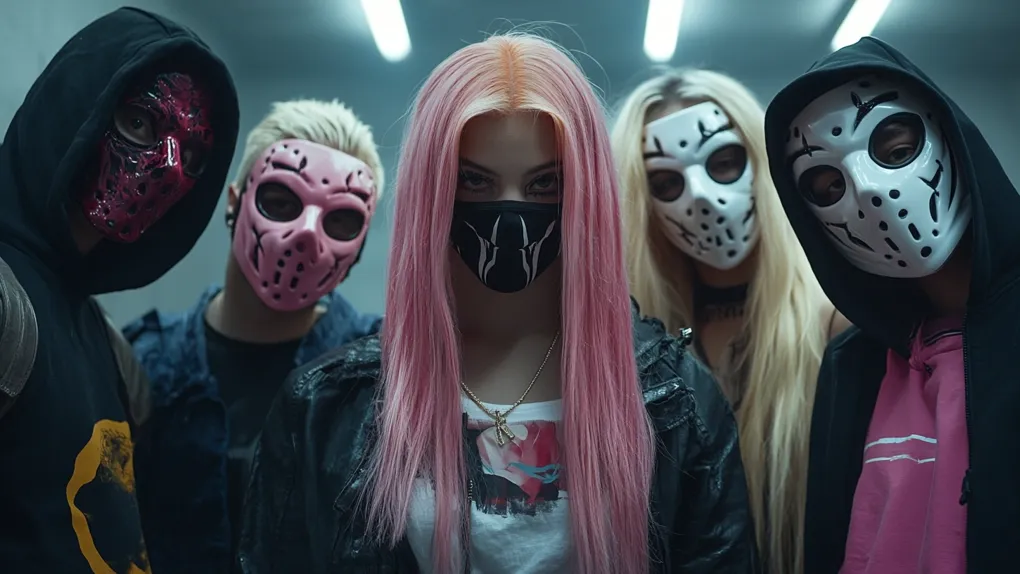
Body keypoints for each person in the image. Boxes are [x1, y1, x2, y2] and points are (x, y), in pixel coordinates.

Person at [240, 34, 758, 574]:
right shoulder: (325, 406)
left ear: (585, 191)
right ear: (432, 187)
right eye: (473, 180)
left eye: (544, 185)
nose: (510, 214)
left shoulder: (676, 399)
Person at [764, 37, 1020, 574]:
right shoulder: (852, 367)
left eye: (896, 149)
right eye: (826, 183)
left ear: (947, 133)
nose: (871, 191)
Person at [0, 7, 239, 574]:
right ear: (79, 106)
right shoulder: (10, 310)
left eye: (195, 156)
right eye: (142, 124)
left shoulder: (110, 347)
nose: (171, 169)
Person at [123, 98, 384, 573]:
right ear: (234, 201)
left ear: (360, 247)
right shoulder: (142, 363)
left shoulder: (382, 379)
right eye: (281, 201)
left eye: (340, 219)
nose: (306, 235)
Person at [611, 69, 849, 574]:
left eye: (723, 162)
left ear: (761, 164)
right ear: (643, 202)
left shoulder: (834, 328)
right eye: (667, 181)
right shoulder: (640, 348)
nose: (698, 196)